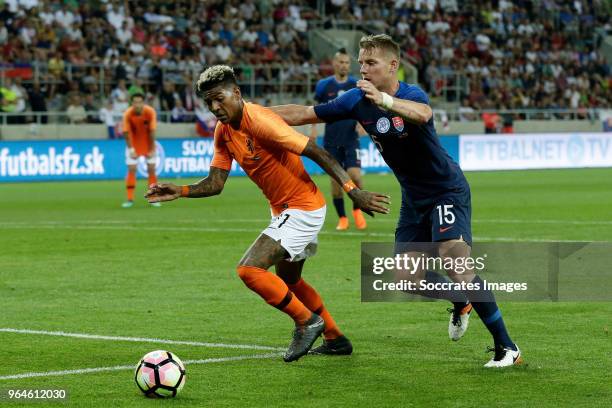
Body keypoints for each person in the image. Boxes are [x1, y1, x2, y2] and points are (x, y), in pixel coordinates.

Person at [271, 34, 522, 368]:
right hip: (414, 197)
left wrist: (385, 101)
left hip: (445, 189)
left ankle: (508, 348)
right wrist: (249, 114)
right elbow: (304, 113)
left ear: (393, 65)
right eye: (361, 62)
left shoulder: (409, 94)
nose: (364, 69)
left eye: (370, 63)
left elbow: (423, 113)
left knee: (454, 259)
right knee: (406, 277)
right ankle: (461, 300)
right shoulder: (355, 100)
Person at [145, 65, 390, 362]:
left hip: (302, 209)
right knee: (291, 282)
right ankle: (336, 338)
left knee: (249, 270)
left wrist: (353, 190)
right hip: (286, 210)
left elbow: (316, 150)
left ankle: (307, 321)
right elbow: (215, 183)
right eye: (209, 102)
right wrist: (181, 190)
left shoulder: (259, 121)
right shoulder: (223, 132)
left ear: (236, 92)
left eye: (219, 98)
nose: (214, 107)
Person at [311, 48, 367, 231]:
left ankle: (357, 210)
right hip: (331, 140)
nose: (344, 65)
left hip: (351, 138)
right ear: (335, 64)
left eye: (346, 63)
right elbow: (315, 108)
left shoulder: (356, 84)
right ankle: (343, 218)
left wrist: (363, 123)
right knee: (335, 182)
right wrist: (313, 129)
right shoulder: (323, 86)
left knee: (355, 176)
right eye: (341, 62)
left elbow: (365, 106)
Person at [122, 92, 159, 208]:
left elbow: (152, 131)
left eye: (139, 102)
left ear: (143, 103)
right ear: (132, 103)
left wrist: (152, 148)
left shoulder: (150, 112)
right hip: (133, 143)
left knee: (151, 169)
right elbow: (126, 133)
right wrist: (131, 149)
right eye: (135, 102)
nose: (137, 105)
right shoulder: (128, 113)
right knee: (132, 169)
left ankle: (153, 198)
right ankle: (129, 199)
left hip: (148, 143)